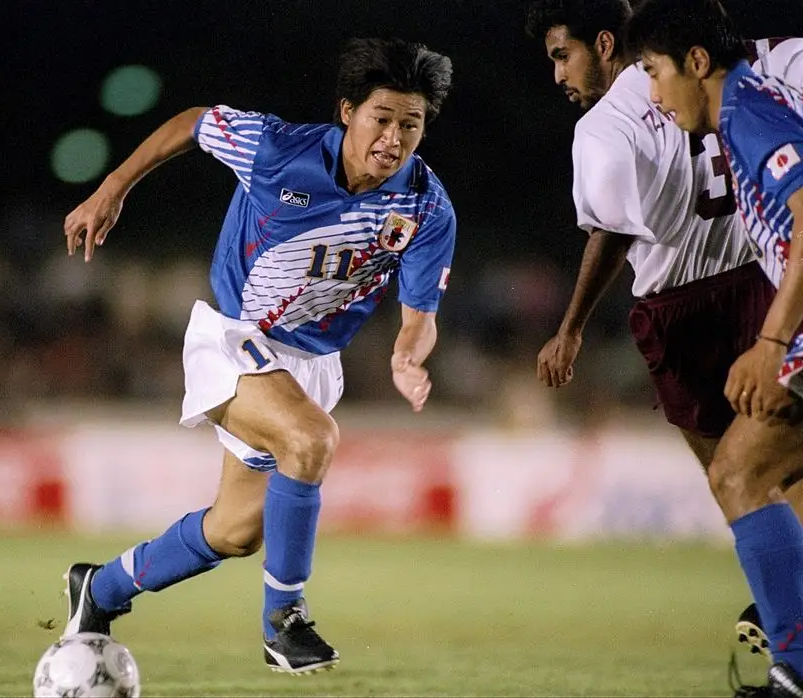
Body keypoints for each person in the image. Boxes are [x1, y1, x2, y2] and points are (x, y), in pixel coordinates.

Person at [58, 38, 456, 675]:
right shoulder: (277, 150)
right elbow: (193, 123)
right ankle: (284, 623)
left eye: (411, 125)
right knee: (312, 439)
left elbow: (419, 317)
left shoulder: (426, 207)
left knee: (235, 532)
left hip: (311, 366)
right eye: (382, 119)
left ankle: (98, 589)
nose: (394, 138)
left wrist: (409, 355)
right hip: (234, 337)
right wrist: (113, 186)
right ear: (347, 111)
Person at [526, 0, 803, 661]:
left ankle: (792, 650)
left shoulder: (620, 124)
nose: (653, 90)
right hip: (763, 287)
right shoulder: (771, 68)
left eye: (563, 56)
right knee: (773, 470)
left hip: (699, 309)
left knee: (739, 473)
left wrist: (570, 328)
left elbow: (614, 227)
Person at [626, 0, 803, 694]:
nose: (653, 94)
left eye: (653, 71)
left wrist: (770, 342)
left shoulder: (751, 112)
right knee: (747, 474)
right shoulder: (746, 112)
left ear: (698, 63)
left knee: (739, 474)